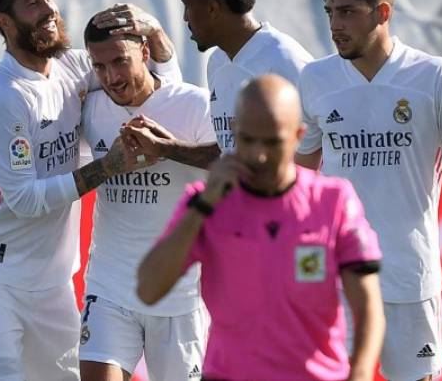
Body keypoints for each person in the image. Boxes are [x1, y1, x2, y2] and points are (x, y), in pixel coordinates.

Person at [0, 0, 176, 380]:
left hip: (53, 285)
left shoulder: (73, 67)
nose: (51, 9)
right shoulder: (2, 95)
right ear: (4, 21)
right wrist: (108, 167)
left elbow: (150, 84)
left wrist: (154, 34)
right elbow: (25, 200)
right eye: (34, 3)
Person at [295, 0, 442, 381]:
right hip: (333, 273)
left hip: (408, 274)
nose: (335, 23)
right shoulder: (314, 79)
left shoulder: (433, 75)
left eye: (347, 11)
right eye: (329, 11)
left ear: (382, 13)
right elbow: (299, 171)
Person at [138, 75, 385, 381]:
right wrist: (203, 207)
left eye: (272, 142)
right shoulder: (204, 203)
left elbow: (368, 304)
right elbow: (148, 289)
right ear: (233, 132)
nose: (258, 155)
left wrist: (360, 372)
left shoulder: (334, 201)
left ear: (298, 135)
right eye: (248, 139)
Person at [78, 16, 217, 381]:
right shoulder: (91, 109)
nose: (111, 77)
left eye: (120, 61)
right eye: (100, 66)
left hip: (179, 295)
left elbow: (234, 164)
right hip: (110, 287)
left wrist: (168, 148)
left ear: (144, 51)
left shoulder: (194, 104)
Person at [117, 0, 313, 168]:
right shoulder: (217, 62)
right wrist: (164, 146)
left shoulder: (284, 59)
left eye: (187, 6)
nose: (184, 18)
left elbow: (313, 152)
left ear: (212, 8)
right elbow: (227, 153)